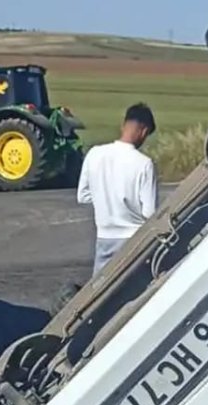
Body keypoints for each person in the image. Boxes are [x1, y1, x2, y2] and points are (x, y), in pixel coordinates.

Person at [77, 102, 158, 276]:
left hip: (104, 235)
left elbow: (83, 196)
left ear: (124, 125)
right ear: (144, 131)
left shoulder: (94, 154)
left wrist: (103, 198)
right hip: (133, 238)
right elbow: (150, 212)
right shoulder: (144, 163)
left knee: (99, 290)